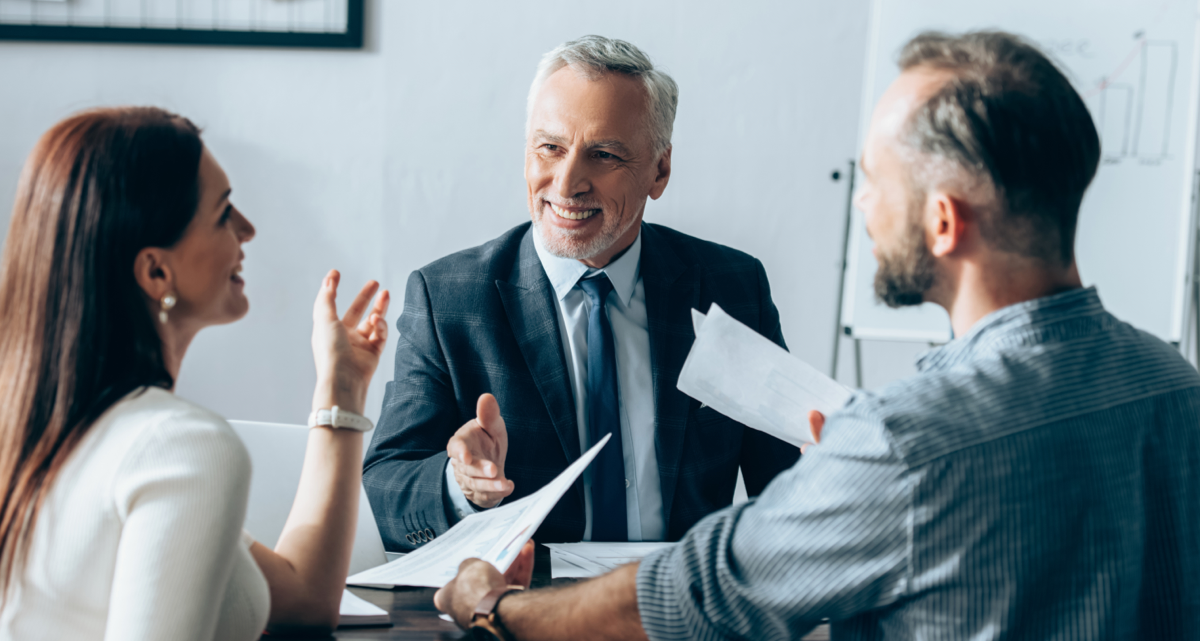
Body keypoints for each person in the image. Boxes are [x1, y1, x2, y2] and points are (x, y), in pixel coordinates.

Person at [433, 30, 1200, 640]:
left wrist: (491, 606)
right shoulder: (1179, 388)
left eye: (874, 179)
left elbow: (683, 603)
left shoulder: (903, 442)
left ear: (942, 222)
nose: (861, 204)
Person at [364, 35, 798, 551]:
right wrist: (458, 486)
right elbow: (385, 491)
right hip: (526, 607)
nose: (567, 183)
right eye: (550, 147)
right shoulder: (449, 300)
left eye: (605, 155)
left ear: (659, 170)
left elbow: (788, 484)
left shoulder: (731, 286)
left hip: (681, 605)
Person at [0, 107, 390, 640]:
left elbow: (301, 598)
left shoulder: (41, 431)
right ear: (157, 270)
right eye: (224, 211)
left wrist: (341, 388)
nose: (247, 230)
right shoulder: (181, 446)